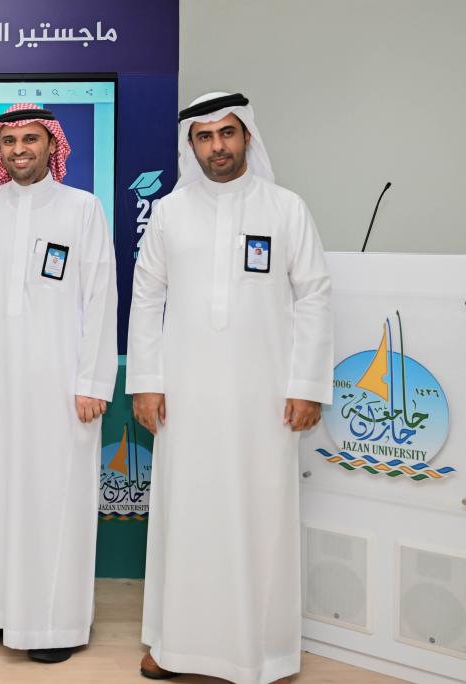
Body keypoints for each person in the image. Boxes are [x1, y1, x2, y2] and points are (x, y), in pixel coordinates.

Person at [127, 92, 333, 683]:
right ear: (191, 145)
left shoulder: (286, 208)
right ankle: (174, 645)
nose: (217, 146)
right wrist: (146, 382)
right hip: (185, 398)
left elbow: (314, 297)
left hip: (264, 399)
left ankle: (263, 654)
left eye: (227, 133)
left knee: (260, 518)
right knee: (185, 516)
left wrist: (306, 385)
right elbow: (147, 299)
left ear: (247, 137)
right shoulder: (170, 213)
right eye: (205, 136)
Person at [0, 103, 117, 663]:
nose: (19, 150)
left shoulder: (82, 208)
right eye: (9, 141)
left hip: (62, 380)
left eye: (31, 139)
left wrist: (93, 380)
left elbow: (101, 297)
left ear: (51, 144)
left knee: (52, 497)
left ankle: (53, 625)